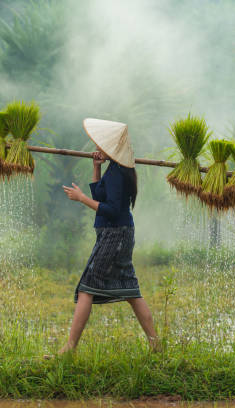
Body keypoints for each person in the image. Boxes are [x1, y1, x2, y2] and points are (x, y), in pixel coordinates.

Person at [58, 118, 159, 355]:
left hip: (115, 236)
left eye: (101, 145)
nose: (97, 147)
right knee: (131, 291)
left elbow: (111, 210)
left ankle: (69, 349)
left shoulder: (118, 173)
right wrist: (96, 167)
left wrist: (82, 198)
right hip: (118, 235)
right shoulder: (115, 170)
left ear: (111, 149)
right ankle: (156, 345)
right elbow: (102, 195)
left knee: (86, 288)